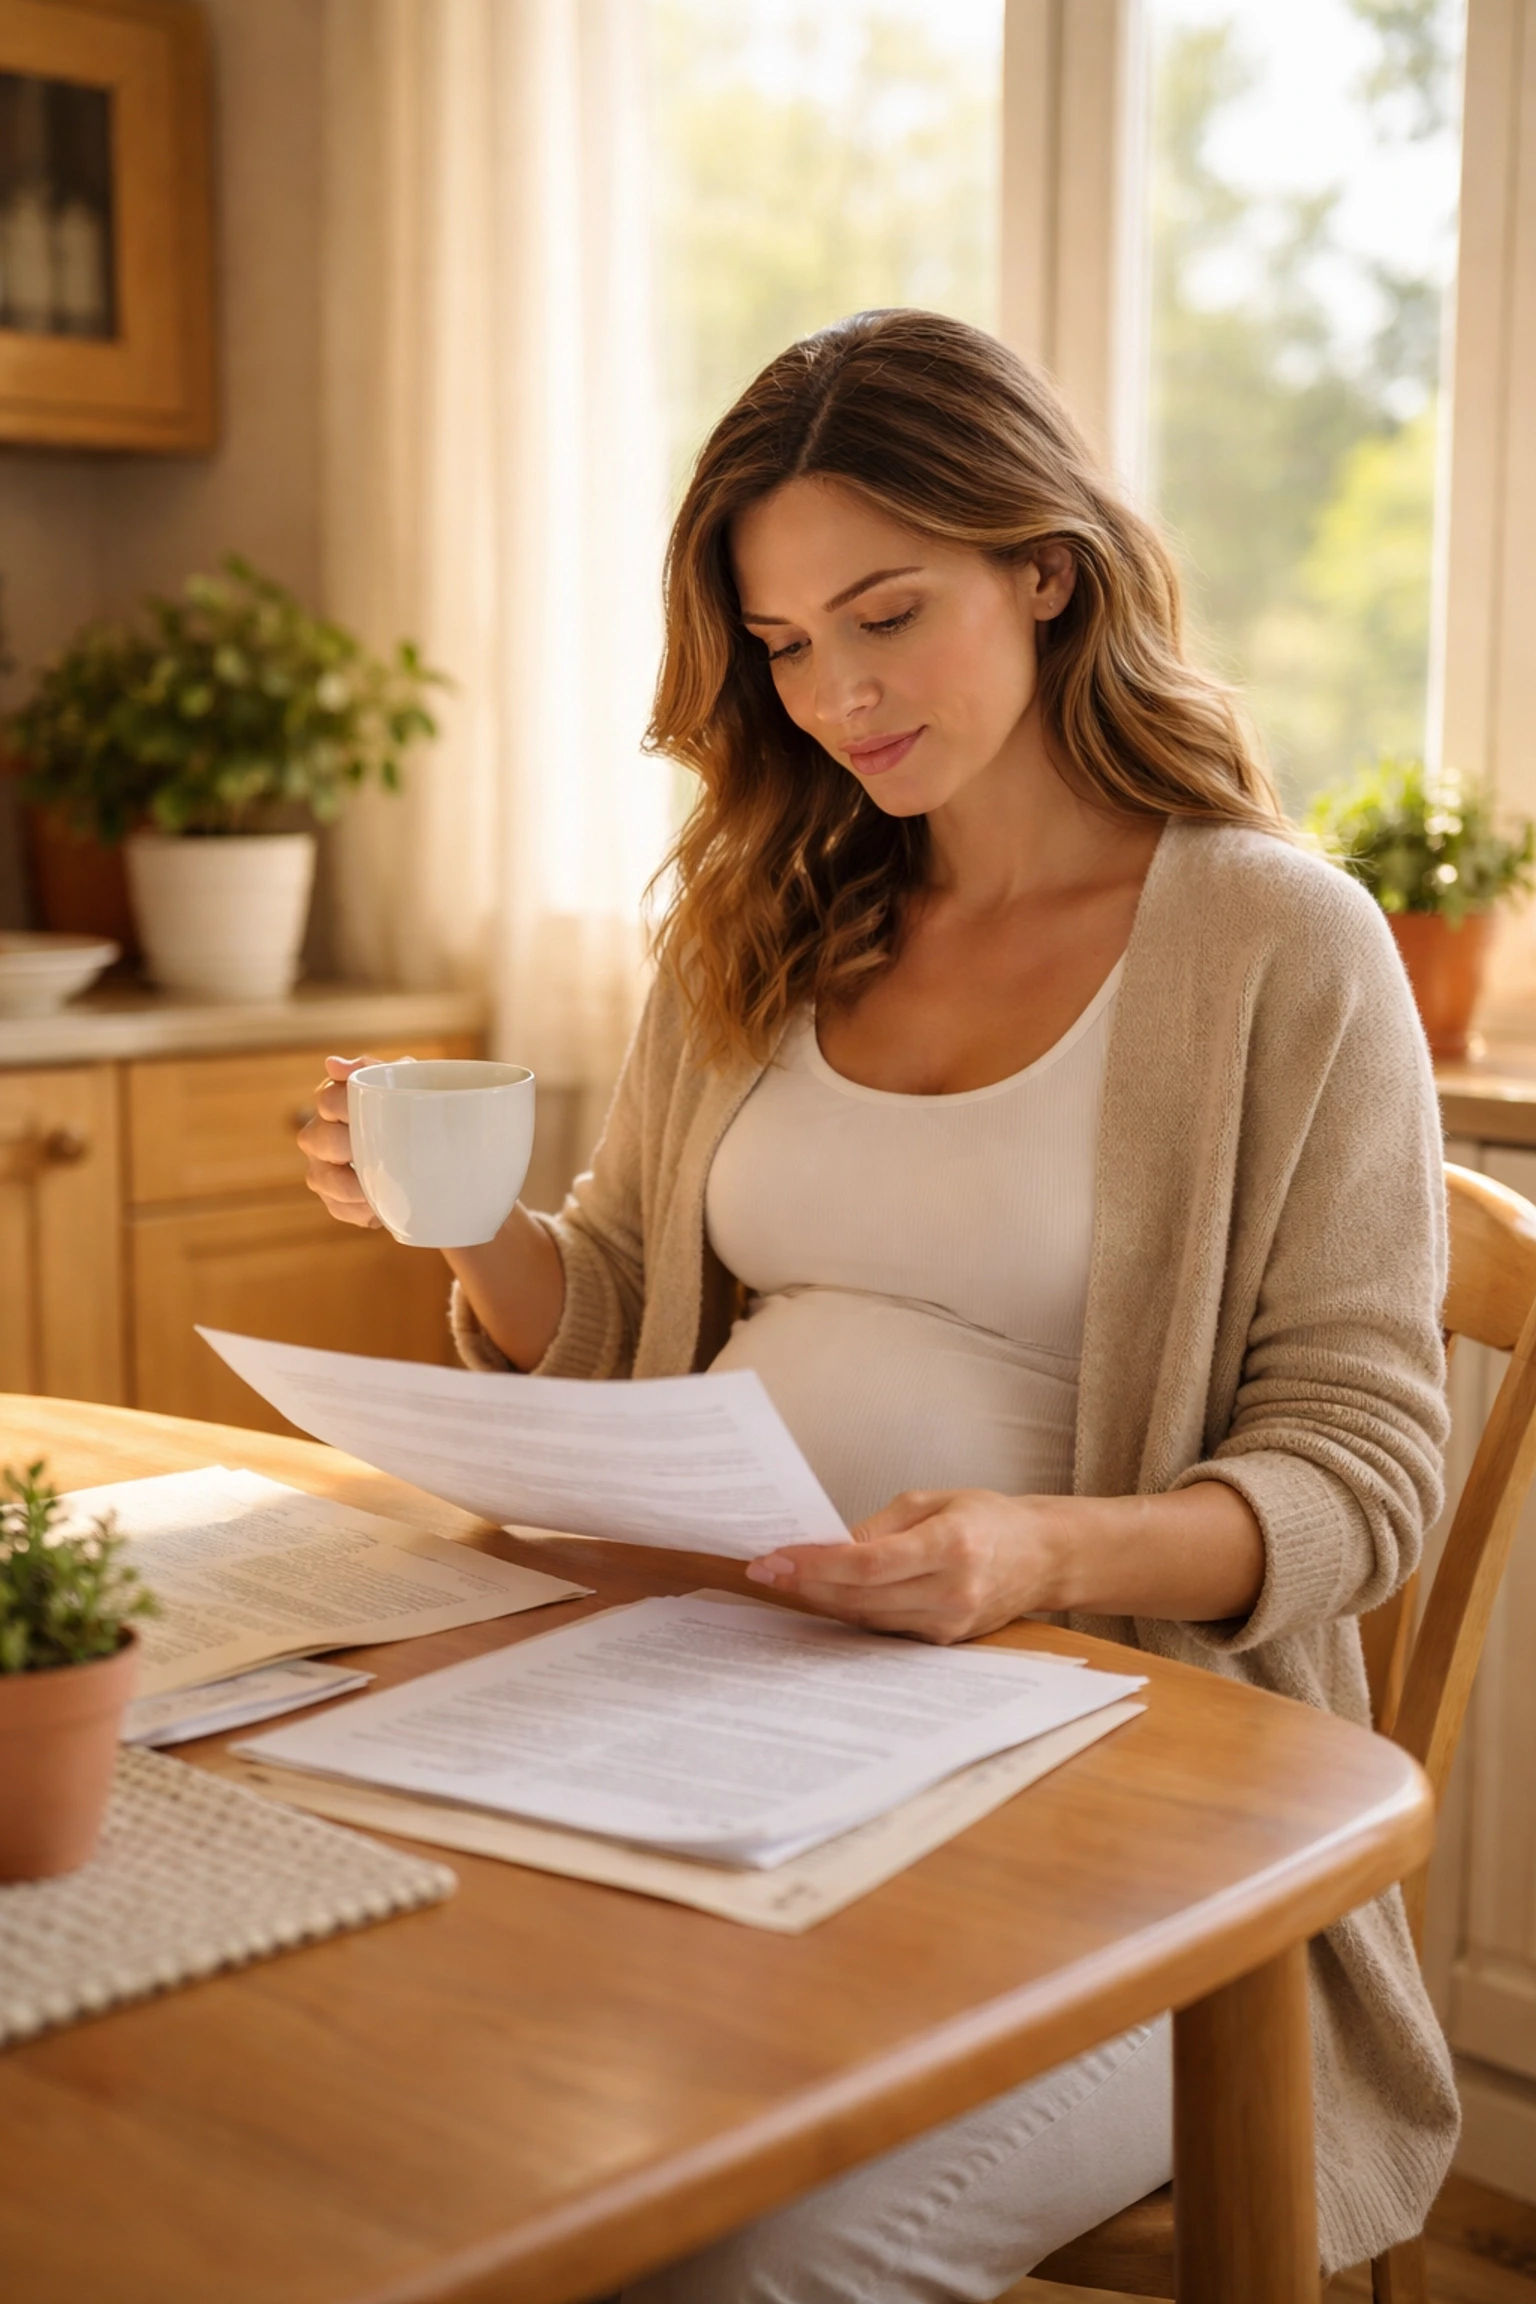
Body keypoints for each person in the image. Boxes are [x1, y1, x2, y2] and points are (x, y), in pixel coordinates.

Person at [300, 308, 1458, 2298]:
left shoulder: (1279, 942)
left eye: (885, 614)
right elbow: (629, 1303)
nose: (835, 691)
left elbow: (1368, 1470)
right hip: (714, 1708)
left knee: (735, 2267)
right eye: (782, 644)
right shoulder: (762, 906)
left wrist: (1033, 1550)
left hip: (1111, 1789)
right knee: (403, 2111)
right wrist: (460, 1230)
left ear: (1046, 566)